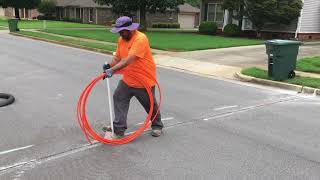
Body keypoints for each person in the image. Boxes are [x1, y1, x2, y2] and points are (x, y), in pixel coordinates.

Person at [102, 16, 163, 138]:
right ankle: (119, 128)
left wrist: (112, 71)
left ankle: (157, 125)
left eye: (123, 31)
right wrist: (109, 65)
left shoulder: (140, 39)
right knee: (119, 97)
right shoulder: (121, 39)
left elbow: (128, 60)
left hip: (144, 80)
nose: (121, 33)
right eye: (119, 31)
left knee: (150, 105)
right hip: (128, 78)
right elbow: (118, 58)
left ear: (131, 29)